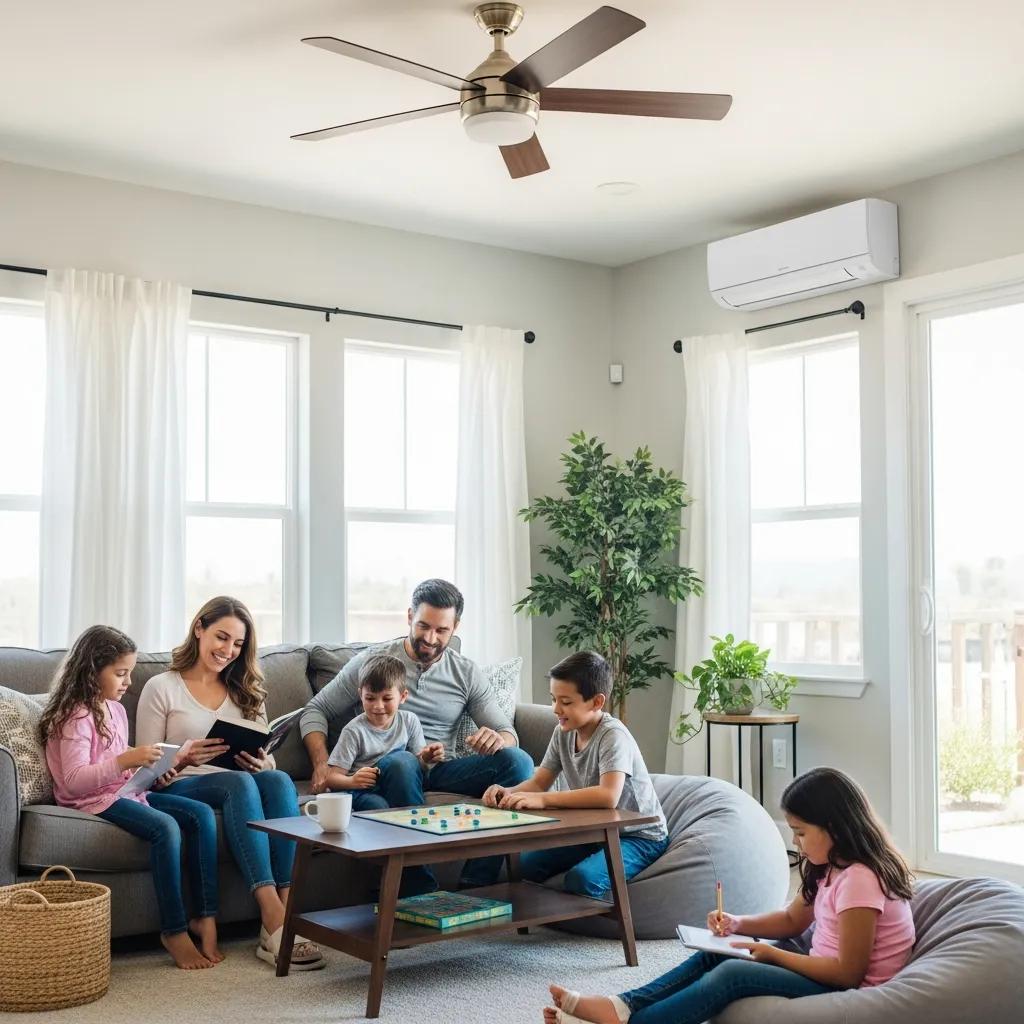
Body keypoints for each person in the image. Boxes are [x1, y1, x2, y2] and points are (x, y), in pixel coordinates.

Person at [543, 766, 916, 1024]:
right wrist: (738, 924)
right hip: (821, 968)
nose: (796, 842)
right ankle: (621, 1006)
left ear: (834, 827)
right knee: (719, 952)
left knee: (733, 974)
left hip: (847, 985)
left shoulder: (860, 880)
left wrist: (773, 955)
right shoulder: (830, 867)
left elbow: (848, 973)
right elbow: (792, 920)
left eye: (801, 833)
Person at [301, 578, 534, 887]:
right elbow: (315, 710)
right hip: (387, 769)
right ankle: (418, 886)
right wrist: (321, 763)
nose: (430, 638)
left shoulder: (465, 672)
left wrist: (498, 739)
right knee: (403, 761)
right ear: (410, 616)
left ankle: (476, 884)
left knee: (519, 762)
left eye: (441, 630)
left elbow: (507, 731)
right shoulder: (375, 662)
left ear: (455, 627)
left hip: (439, 767)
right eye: (423, 626)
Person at [135, 596, 324, 971]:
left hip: (240, 781)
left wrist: (262, 761)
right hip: (181, 785)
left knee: (278, 780)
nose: (228, 650)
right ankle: (273, 916)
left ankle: (284, 913)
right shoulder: (162, 687)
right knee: (239, 784)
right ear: (199, 629)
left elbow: (267, 754)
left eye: (238, 644)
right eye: (221, 637)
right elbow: (147, 768)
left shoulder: (245, 688)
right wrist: (182, 758)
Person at [39, 625, 221, 970]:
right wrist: (126, 760)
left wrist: (152, 768)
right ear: (92, 670)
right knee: (166, 828)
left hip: (123, 791)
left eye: (129, 673)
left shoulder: (115, 709)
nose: (128, 682)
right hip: (90, 800)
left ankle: (205, 915)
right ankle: (174, 930)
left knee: (201, 814)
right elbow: (74, 782)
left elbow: (116, 764)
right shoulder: (76, 716)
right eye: (121, 673)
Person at [483, 651, 669, 900]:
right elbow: (539, 782)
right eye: (553, 699)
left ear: (596, 702)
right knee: (523, 866)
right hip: (596, 832)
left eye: (566, 702)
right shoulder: (563, 732)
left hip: (639, 837)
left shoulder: (613, 736)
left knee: (581, 879)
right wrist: (507, 792)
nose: (555, 709)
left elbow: (608, 796)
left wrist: (544, 800)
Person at [322, 653, 445, 893]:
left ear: (403, 696)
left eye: (387, 698)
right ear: (360, 695)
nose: (378, 706)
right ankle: (407, 884)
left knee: (404, 761)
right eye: (370, 698)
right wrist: (353, 781)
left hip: (398, 782)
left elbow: (417, 766)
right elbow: (331, 777)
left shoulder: (409, 721)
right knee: (379, 807)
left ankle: (406, 883)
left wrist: (427, 758)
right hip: (362, 790)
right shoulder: (354, 731)